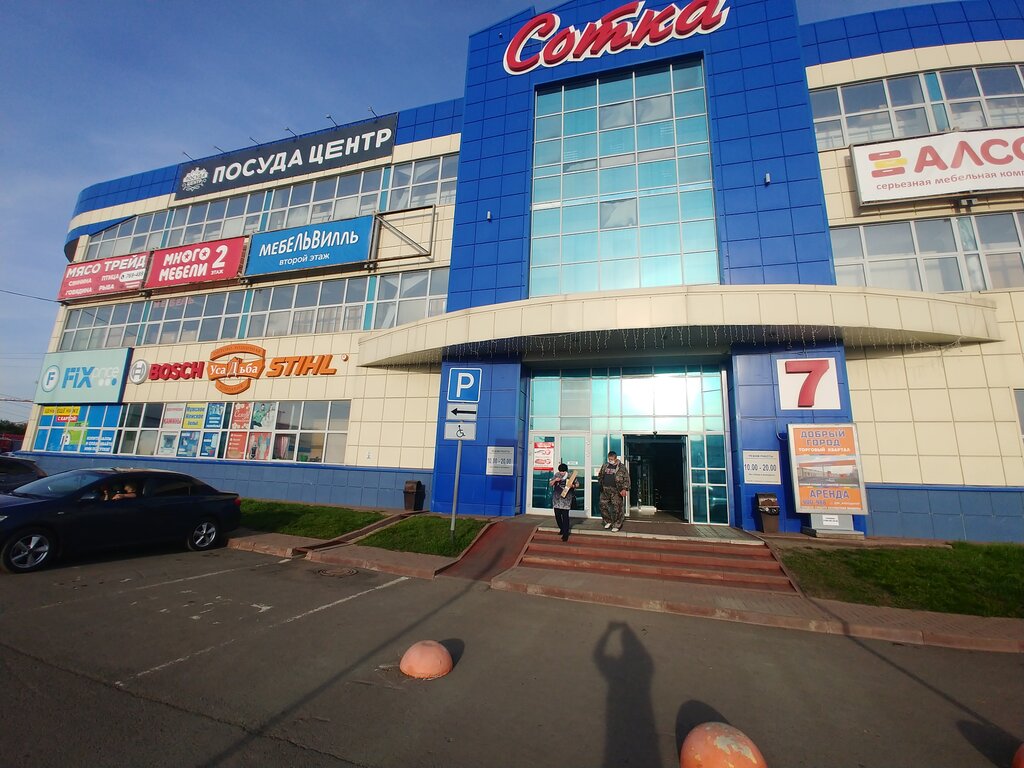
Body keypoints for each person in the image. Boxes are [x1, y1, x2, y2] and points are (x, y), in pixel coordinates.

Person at [597, 450, 630, 532]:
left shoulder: (621, 467)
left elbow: (626, 478)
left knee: (617, 508)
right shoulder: (605, 466)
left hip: (616, 490)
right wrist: (600, 483)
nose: (610, 460)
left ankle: (616, 525)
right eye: (609, 459)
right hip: (605, 489)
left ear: (615, 458)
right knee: (602, 505)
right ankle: (608, 521)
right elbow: (600, 475)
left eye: (611, 459)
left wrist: (624, 489)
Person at [549, 463, 579, 542]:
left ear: (566, 471)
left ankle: (565, 534)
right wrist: (555, 480)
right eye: (561, 471)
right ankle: (562, 528)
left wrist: (573, 486)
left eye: (563, 471)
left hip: (566, 499)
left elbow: (577, 484)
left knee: (565, 517)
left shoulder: (570, 476)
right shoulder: (557, 475)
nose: (562, 473)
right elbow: (550, 484)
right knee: (557, 516)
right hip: (557, 499)